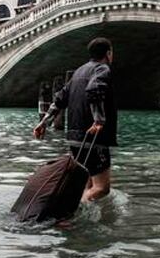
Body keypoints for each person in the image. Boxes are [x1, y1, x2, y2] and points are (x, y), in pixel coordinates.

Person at [34, 37, 117, 202]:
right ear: (108, 53)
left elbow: (59, 100)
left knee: (86, 183)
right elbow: (94, 90)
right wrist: (99, 120)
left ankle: (80, 214)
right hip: (93, 137)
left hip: (74, 139)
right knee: (102, 188)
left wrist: (43, 123)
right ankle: (74, 208)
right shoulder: (102, 69)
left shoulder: (79, 72)